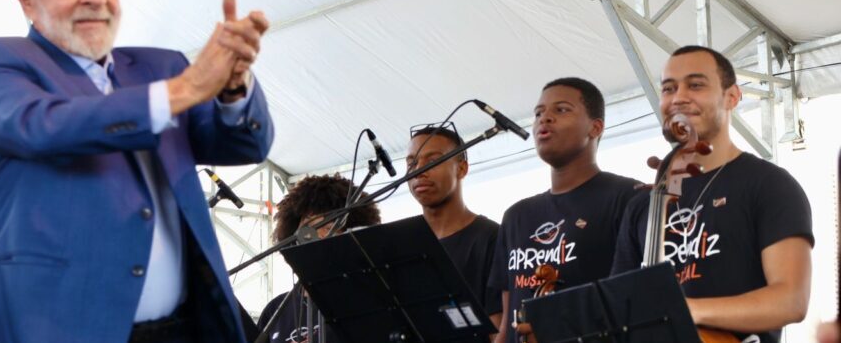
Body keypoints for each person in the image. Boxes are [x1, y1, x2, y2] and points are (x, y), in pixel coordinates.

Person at [0, 0, 274, 343]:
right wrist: (185, 89)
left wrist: (233, 87)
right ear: (27, 0)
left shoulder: (160, 67)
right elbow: (41, 126)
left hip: (184, 331)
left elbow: (246, 143)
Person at [612, 45, 813, 343]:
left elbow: (790, 301)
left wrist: (684, 310)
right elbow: (617, 310)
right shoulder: (643, 205)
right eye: (668, 88)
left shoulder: (768, 184)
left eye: (695, 85)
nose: (678, 97)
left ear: (732, 96)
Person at [487, 78, 642, 343]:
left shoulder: (628, 197)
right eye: (538, 113)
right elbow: (506, 324)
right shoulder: (516, 215)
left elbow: (635, 301)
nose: (544, 118)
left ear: (595, 127)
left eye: (561, 110)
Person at [256, 174, 382, 343]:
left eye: (329, 227)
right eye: (308, 227)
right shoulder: (275, 310)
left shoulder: (369, 304)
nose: (318, 235)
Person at [406, 125, 503, 339]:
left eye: (432, 161)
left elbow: (498, 331)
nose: (419, 170)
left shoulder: (491, 238)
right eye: (412, 163)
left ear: (461, 169)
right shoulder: (404, 246)